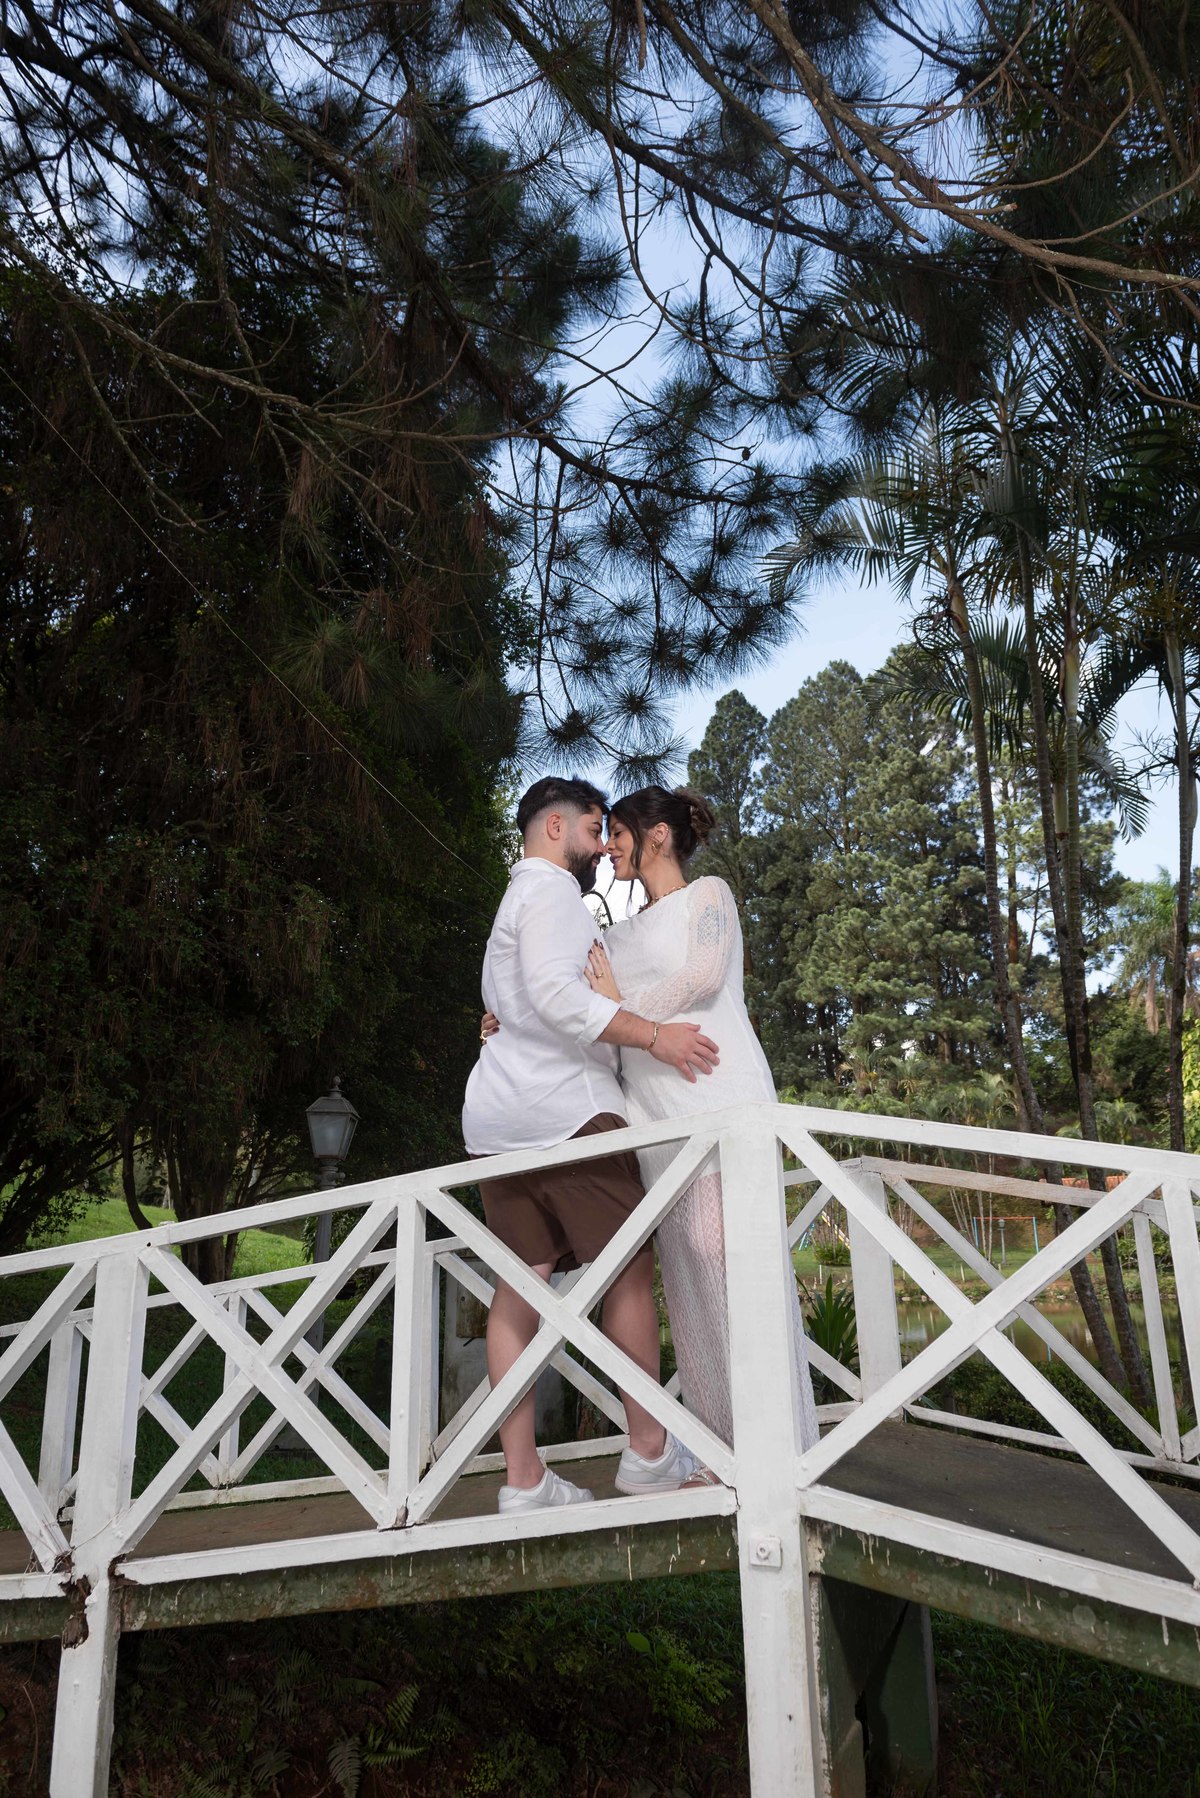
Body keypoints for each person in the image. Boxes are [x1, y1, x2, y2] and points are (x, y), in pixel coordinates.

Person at [462, 775, 722, 1514]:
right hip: (569, 1115)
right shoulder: (551, 895)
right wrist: (652, 1036)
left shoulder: (513, 904)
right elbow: (555, 996)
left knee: (521, 1286)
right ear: (555, 827)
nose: (600, 844)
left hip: (498, 1124)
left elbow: (510, 1005)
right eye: (591, 828)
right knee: (628, 1273)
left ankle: (523, 1480)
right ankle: (649, 1450)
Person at [582, 785, 819, 1462]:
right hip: (655, 1123)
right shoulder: (612, 937)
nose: (609, 847)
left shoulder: (709, 896)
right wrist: (503, 1019)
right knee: (688, 1287)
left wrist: (621, 1011)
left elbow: (703, 977)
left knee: (733, 1264)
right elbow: (574, 1005)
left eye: (618, 832)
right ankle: (720, 1457)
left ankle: (783, 1452)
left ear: (656, 834)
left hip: (720, 1101)